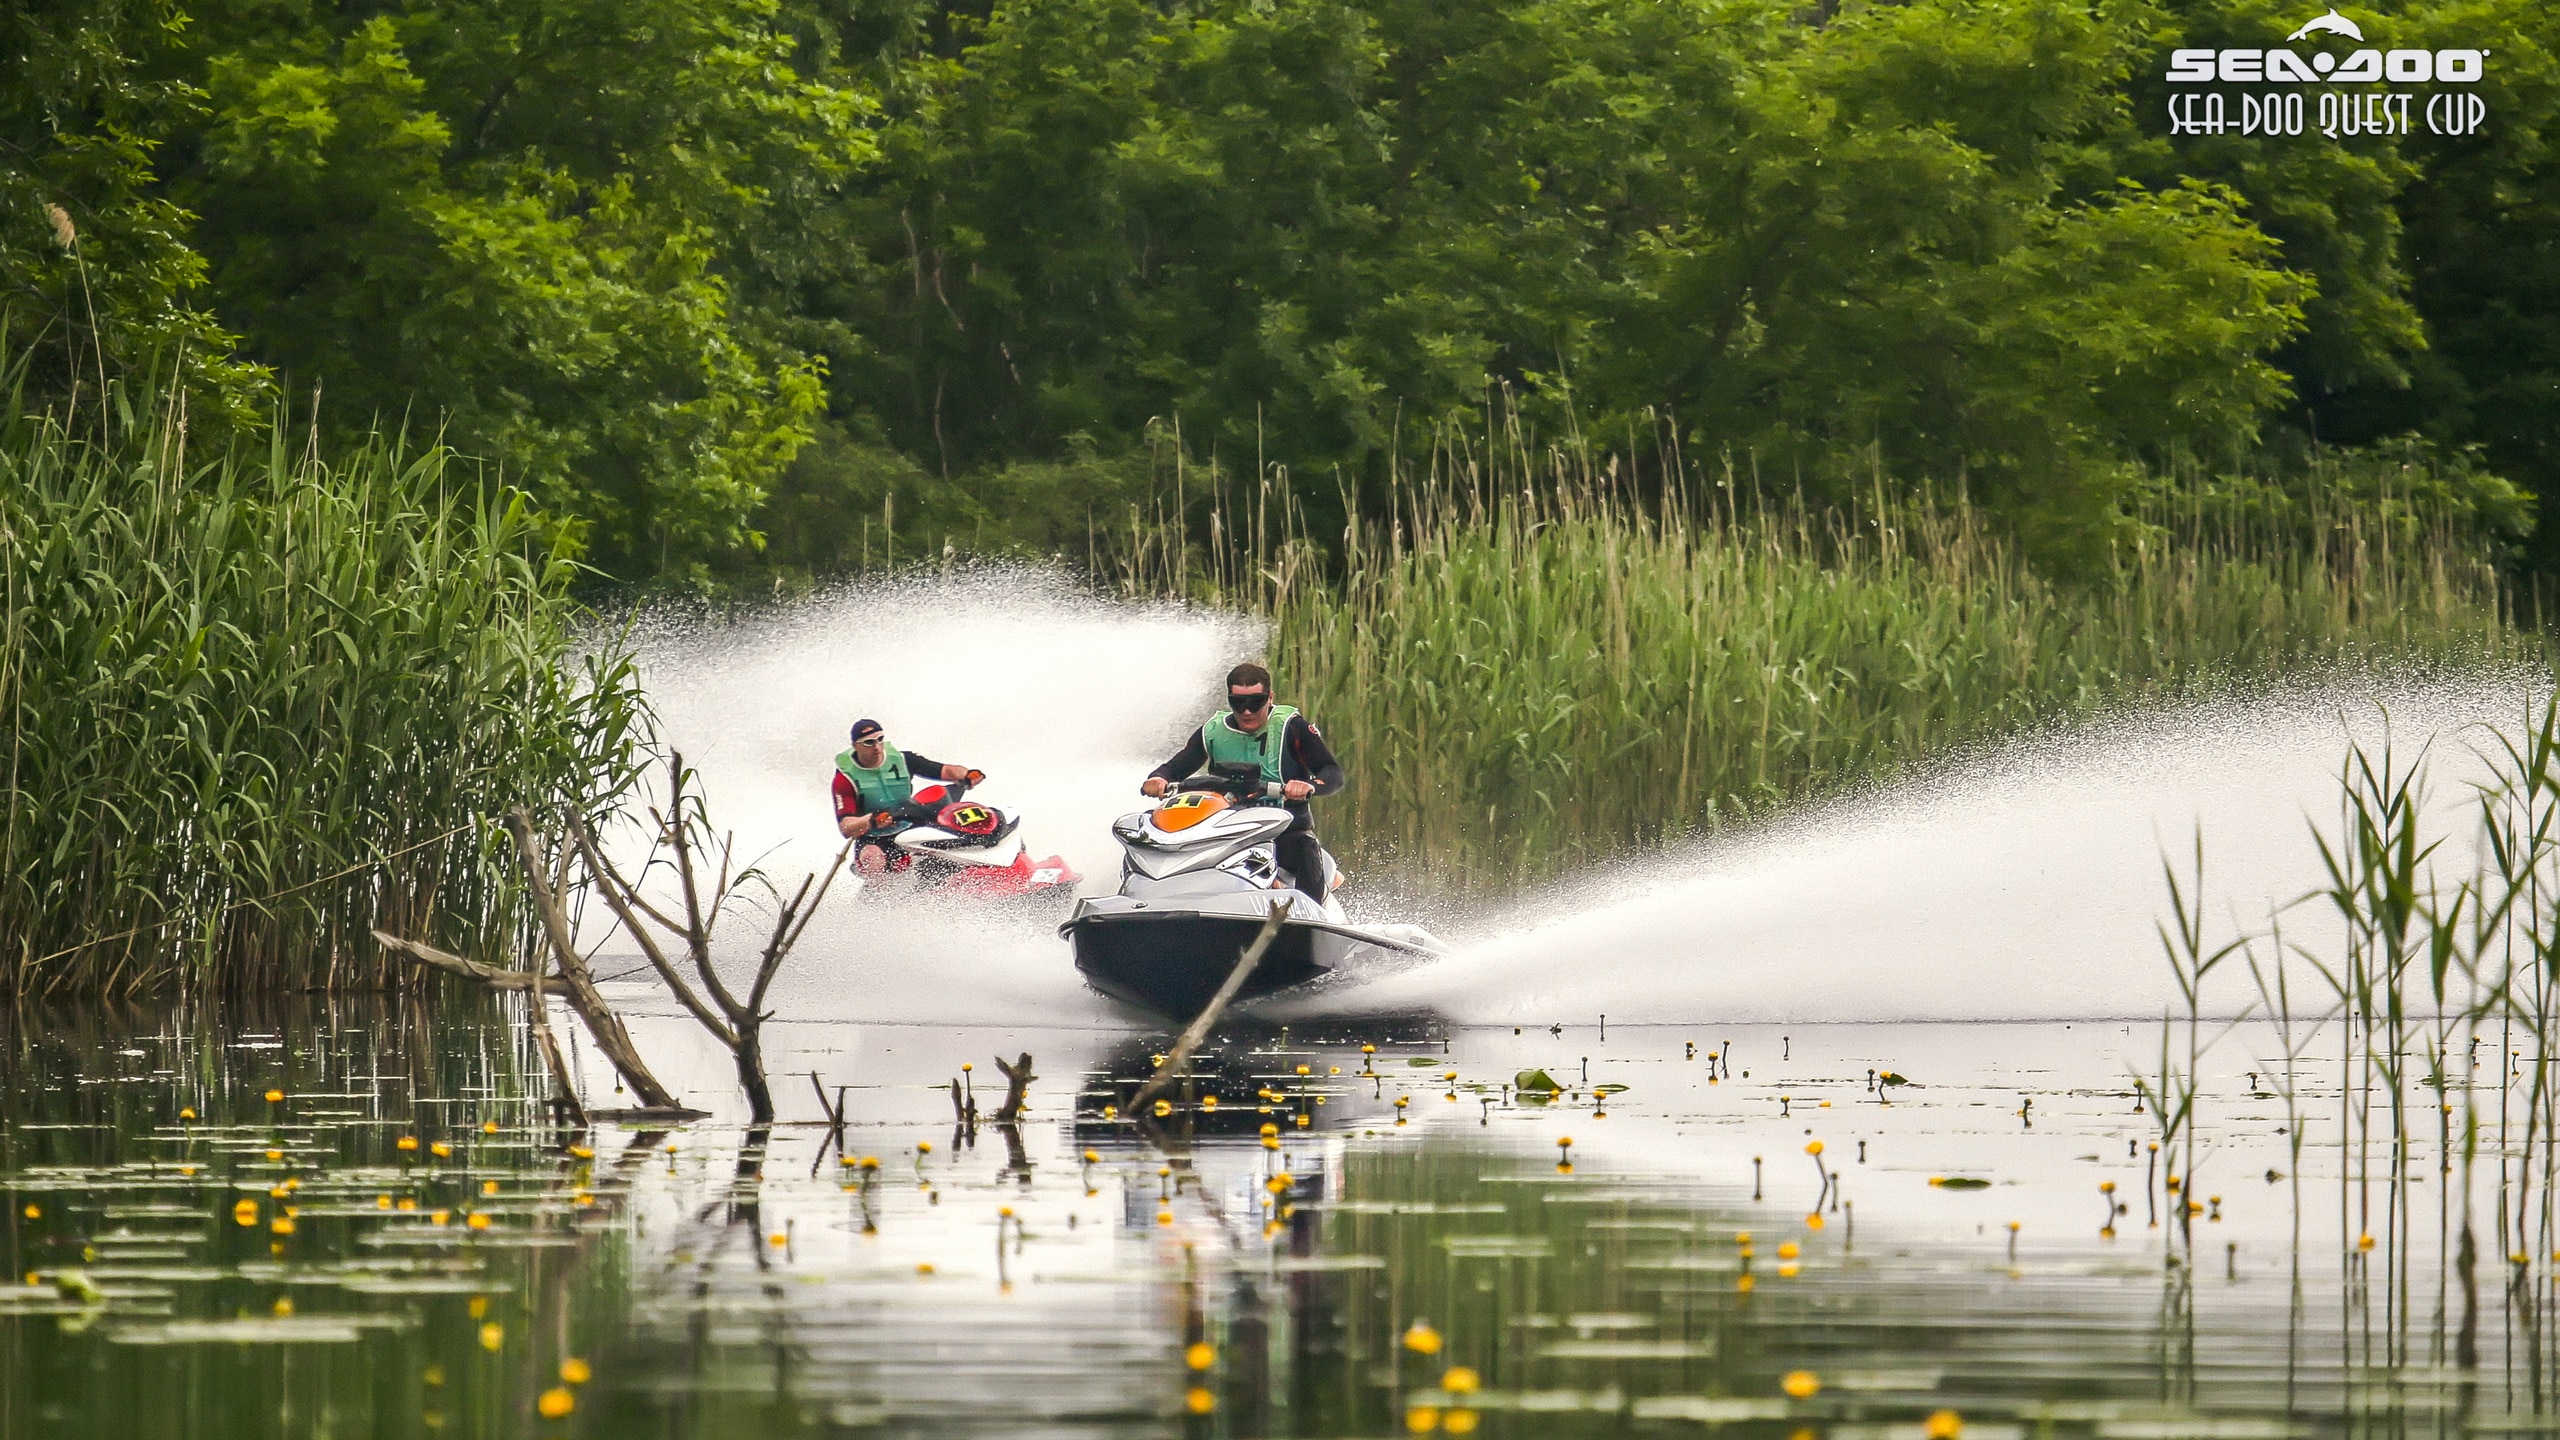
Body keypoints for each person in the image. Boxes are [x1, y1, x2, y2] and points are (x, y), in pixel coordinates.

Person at [1143, 663, 1344, 902]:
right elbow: (1176, 767)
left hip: (1281, 831)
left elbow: (1332, 772)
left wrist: (1310, 786)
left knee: (1304, 846)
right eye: (1238, 704)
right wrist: (1158, 779)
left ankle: (1311, 914)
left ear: (1270, 698)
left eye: (1255, 702)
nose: (1247, 712)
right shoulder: (1213, 731)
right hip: (1226, 830)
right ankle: (1157, 898)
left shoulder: (1293, 727)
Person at [832, 718, 983, 875]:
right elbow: (846, 827)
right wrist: (871, 820)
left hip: (909, 823)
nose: (877, 747)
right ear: (856, 746)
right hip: (875, 837)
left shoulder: (903, 760)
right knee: (872, 858)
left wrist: (967, 774)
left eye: (880, 739)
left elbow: (945, 770)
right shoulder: (845, 779)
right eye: (869, 743)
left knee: (948, 825)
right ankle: (881, 898)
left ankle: (973, 869)